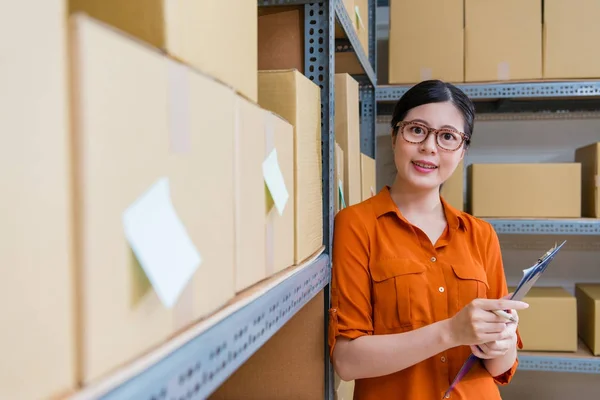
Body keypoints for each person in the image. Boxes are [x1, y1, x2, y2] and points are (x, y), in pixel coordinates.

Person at [328, 80, 528, 400]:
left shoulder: (481, 234)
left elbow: (500, 367)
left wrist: (500, 341)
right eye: (417, 130)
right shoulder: (356, 225)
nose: (430, 148)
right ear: (395, 136)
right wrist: (451, 332)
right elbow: (347, 361)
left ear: (462, 152)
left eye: (448, 137)